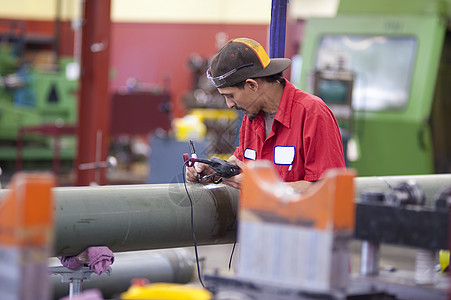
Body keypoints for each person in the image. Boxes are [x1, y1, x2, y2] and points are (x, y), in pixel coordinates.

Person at [186, 38, 345, 191]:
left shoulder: (312, 114)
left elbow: (329, 187)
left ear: (252, 85)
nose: (230, 105)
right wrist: (214, 171)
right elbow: (242, 162)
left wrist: (260, 186)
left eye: (230, 96)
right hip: (257, 218)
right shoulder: (252, 117)